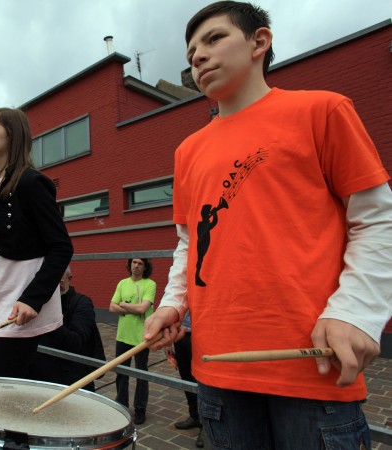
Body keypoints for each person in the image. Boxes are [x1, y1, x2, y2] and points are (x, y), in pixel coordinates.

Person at [143, 2, 392, 449]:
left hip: (309, 368)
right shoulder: (187, 151)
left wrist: (355, 312)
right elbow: (188, 244)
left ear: (259, 42)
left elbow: (377, 220)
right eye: (190, 52)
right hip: (217, 367)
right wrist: (173, 305)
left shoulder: (323, 111)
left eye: (214, 39)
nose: (197, 55)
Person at [0, 107, 73, 379]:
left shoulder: (32, 182)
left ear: (13, 134)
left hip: (18, 311)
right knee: (9, 391)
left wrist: (32, 299)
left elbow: (61, 246)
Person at [28, 266, 105, 391]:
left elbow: (74, 342)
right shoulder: (39, 303)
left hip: (71, 379)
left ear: (69, 279)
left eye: (58, 281)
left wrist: (50, 315)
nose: (53, 286)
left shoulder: (82, 303)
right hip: (41, 376)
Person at [109, 257, 156, 425]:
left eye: (140, 263)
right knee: (121, 373)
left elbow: (143, 308)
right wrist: (132, 308)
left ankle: (140, 409)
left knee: (141, 374)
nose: (136, 265)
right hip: (123, 335)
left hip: (142, 337)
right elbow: (111, 307)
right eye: (134, 262)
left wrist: (123, 305)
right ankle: (122, 404)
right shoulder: (122, 283)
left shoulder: (149, 284)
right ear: (130, 265)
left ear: (145, 267)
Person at [170, 311, 204, 448]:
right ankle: (194, 416)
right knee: (186, 378)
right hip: (180, 335)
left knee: (201, 381)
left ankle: (206, 427)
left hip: (199, 335)